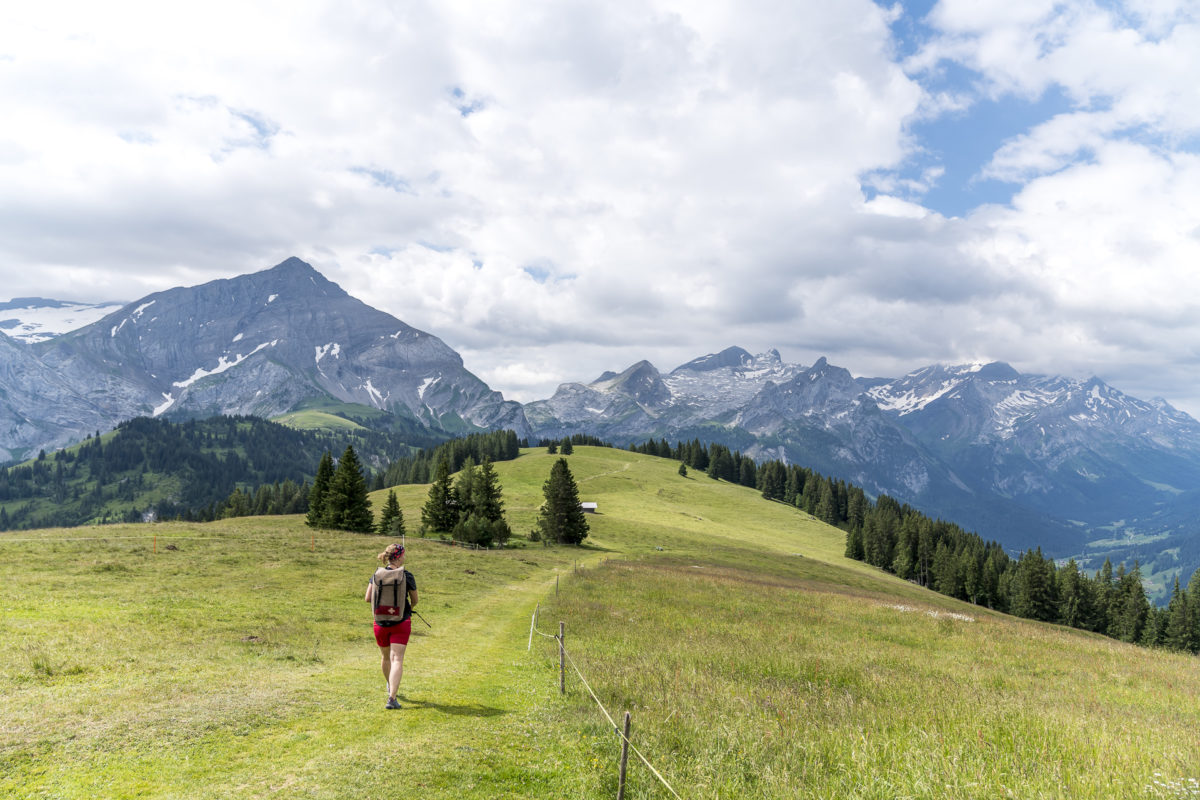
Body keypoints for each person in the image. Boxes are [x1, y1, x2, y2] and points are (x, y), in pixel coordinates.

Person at [365, 542, 418, 710]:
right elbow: (415, 599)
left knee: (386, 658)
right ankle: (392, 698)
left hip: (380, 622)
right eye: (403, 554)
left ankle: (390, 685)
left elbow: (367, 598)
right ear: (399, 556)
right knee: (397, 659)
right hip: (401, 622)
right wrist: (408, 608)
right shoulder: (406, 575)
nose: (405, 557)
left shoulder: (377, 574)